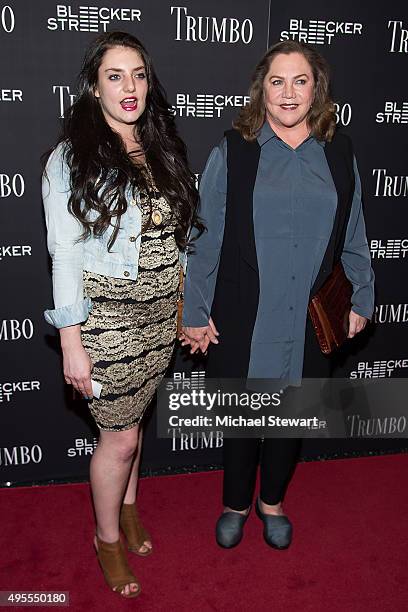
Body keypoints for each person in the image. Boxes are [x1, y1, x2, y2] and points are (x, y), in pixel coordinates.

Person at [181, 40, 374, 550]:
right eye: (277, 81)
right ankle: (236, 504)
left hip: (309, 316)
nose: (289, 93)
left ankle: (272, 505)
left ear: (317, 89)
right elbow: (205, 239)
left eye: (300, 81)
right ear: (261, 90)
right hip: (249, 312)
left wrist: (362, 298)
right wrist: (195, 310)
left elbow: (353, 231)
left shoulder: (340, 152)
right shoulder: (234, 151)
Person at [42, 31, 199, 597]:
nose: (129, 87)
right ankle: (106, 538)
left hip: (158, 316)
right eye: (115, 76)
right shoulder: (71, 158)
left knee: (134, 426)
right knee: (121, 440)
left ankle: (129, 512)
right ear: (93, 86)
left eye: (138, 74)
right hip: (105, 319)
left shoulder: (160, 144)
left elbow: (175, 239)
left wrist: (183, 300)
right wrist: (70, 340)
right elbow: (64, 253)